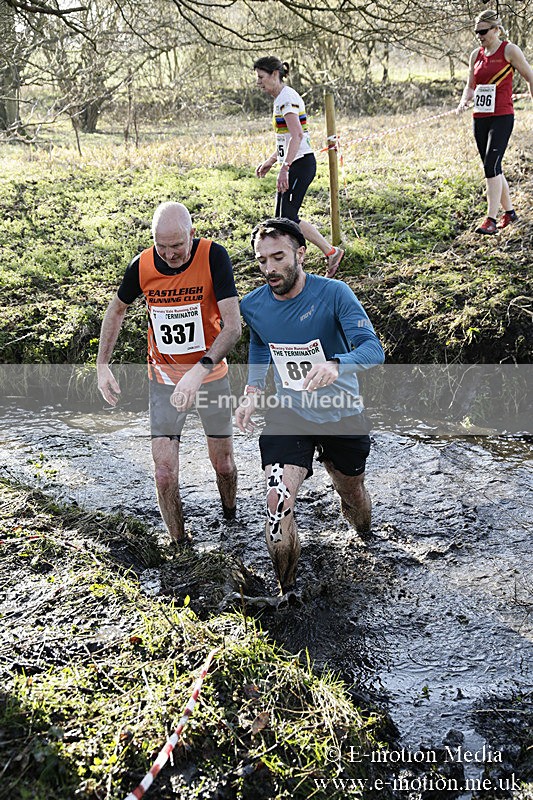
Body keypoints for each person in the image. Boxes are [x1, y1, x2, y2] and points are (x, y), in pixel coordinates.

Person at [235, 218, 384, 595]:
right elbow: (260, 343)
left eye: (278, 257)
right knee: (276, 500)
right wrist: (253, 388)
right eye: (261, 260)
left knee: (350, 492)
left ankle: (367, 539)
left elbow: (373, 350)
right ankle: (287, 594)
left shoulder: (335, 294)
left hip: (342, 412)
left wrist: (336, 364)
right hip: (289, 414)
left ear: (301, 254)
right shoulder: (252, 305)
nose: (269, 268)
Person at [97, 202, 241, 543]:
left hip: (211, 377)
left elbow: (233, 328)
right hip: (163, 380)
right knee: (164, 473)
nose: (170, 254)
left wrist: (199, 370)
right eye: (162, 246)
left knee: (223, 464)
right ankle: (179, 545)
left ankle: (232, 517)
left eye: (177, 246)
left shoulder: (213, 257)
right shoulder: (143, 265)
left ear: (191, 234)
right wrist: (102, 364)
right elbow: (116, 311)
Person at [254, 56, 345, 278]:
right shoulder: (280, 99)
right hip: (294, 162)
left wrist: (285, 168)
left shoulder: (287, 99)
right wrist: (272, 161)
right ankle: (295, 261)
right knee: (282, 219)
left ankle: (328, 253)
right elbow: (287, 139)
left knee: (287, 218)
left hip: (301, 164)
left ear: (275, 74)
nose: (258, 83)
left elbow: (297, 135)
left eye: (261, 77)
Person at [457, 9, 533, 235]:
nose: (479, 35)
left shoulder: (509, 50)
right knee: (493, 168)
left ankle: (490, 219)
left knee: (491, 165)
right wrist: (463, 102)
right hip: (480, 117)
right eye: (476, 32)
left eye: (483, 31)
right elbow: (471, 85)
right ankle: (509, 213)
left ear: (496, 29)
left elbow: (530, 76)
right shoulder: (475, 55)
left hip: (502, 116)